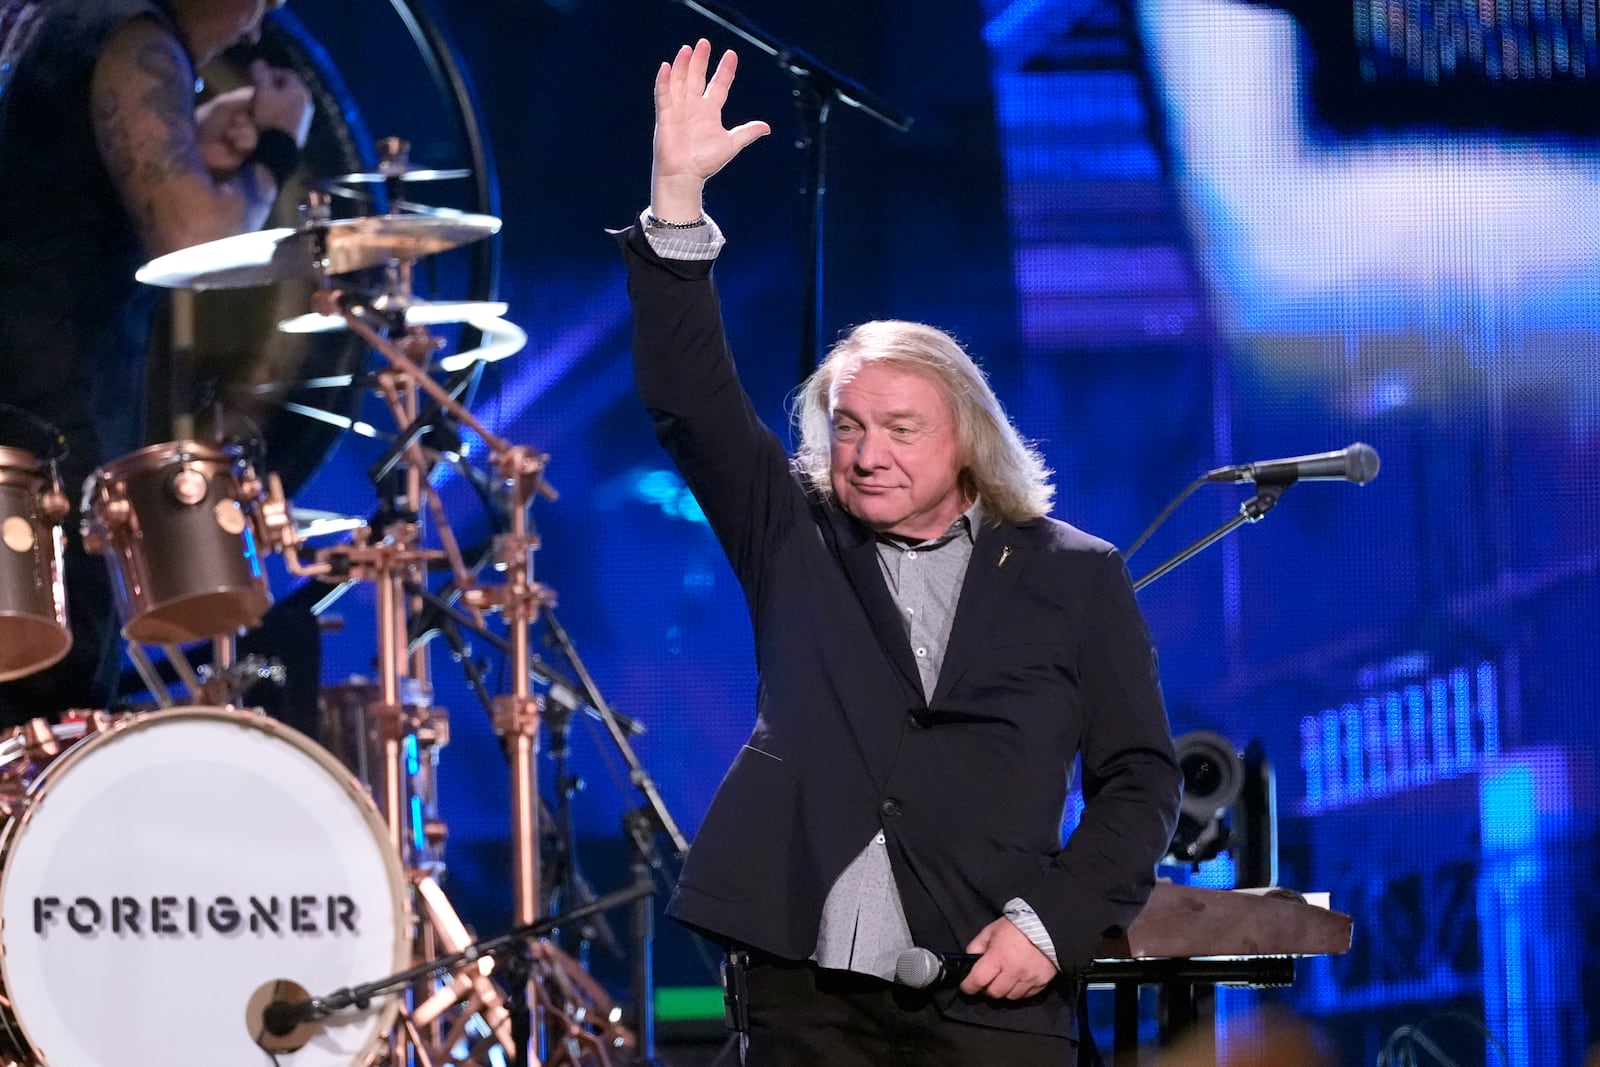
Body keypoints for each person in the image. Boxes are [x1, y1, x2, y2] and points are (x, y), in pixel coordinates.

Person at [616, 39, 1183, 1065]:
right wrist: (676, 202)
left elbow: (1139, 778)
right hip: (806, 987)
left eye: (899, 428)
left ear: (966, 433)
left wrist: (1051, 920)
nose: (866, 453)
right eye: (846, 426)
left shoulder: (1072, 572)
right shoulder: (795, 534)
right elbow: (691, 401)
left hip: (990, 982)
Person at [0, 0, 312, 726]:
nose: (262, 17)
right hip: (47, 442)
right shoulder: (135, 36)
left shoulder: (48, 18)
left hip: (20, 439)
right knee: (46, 720)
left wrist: (186, 141)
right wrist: (275, 145)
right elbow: (190, 239)